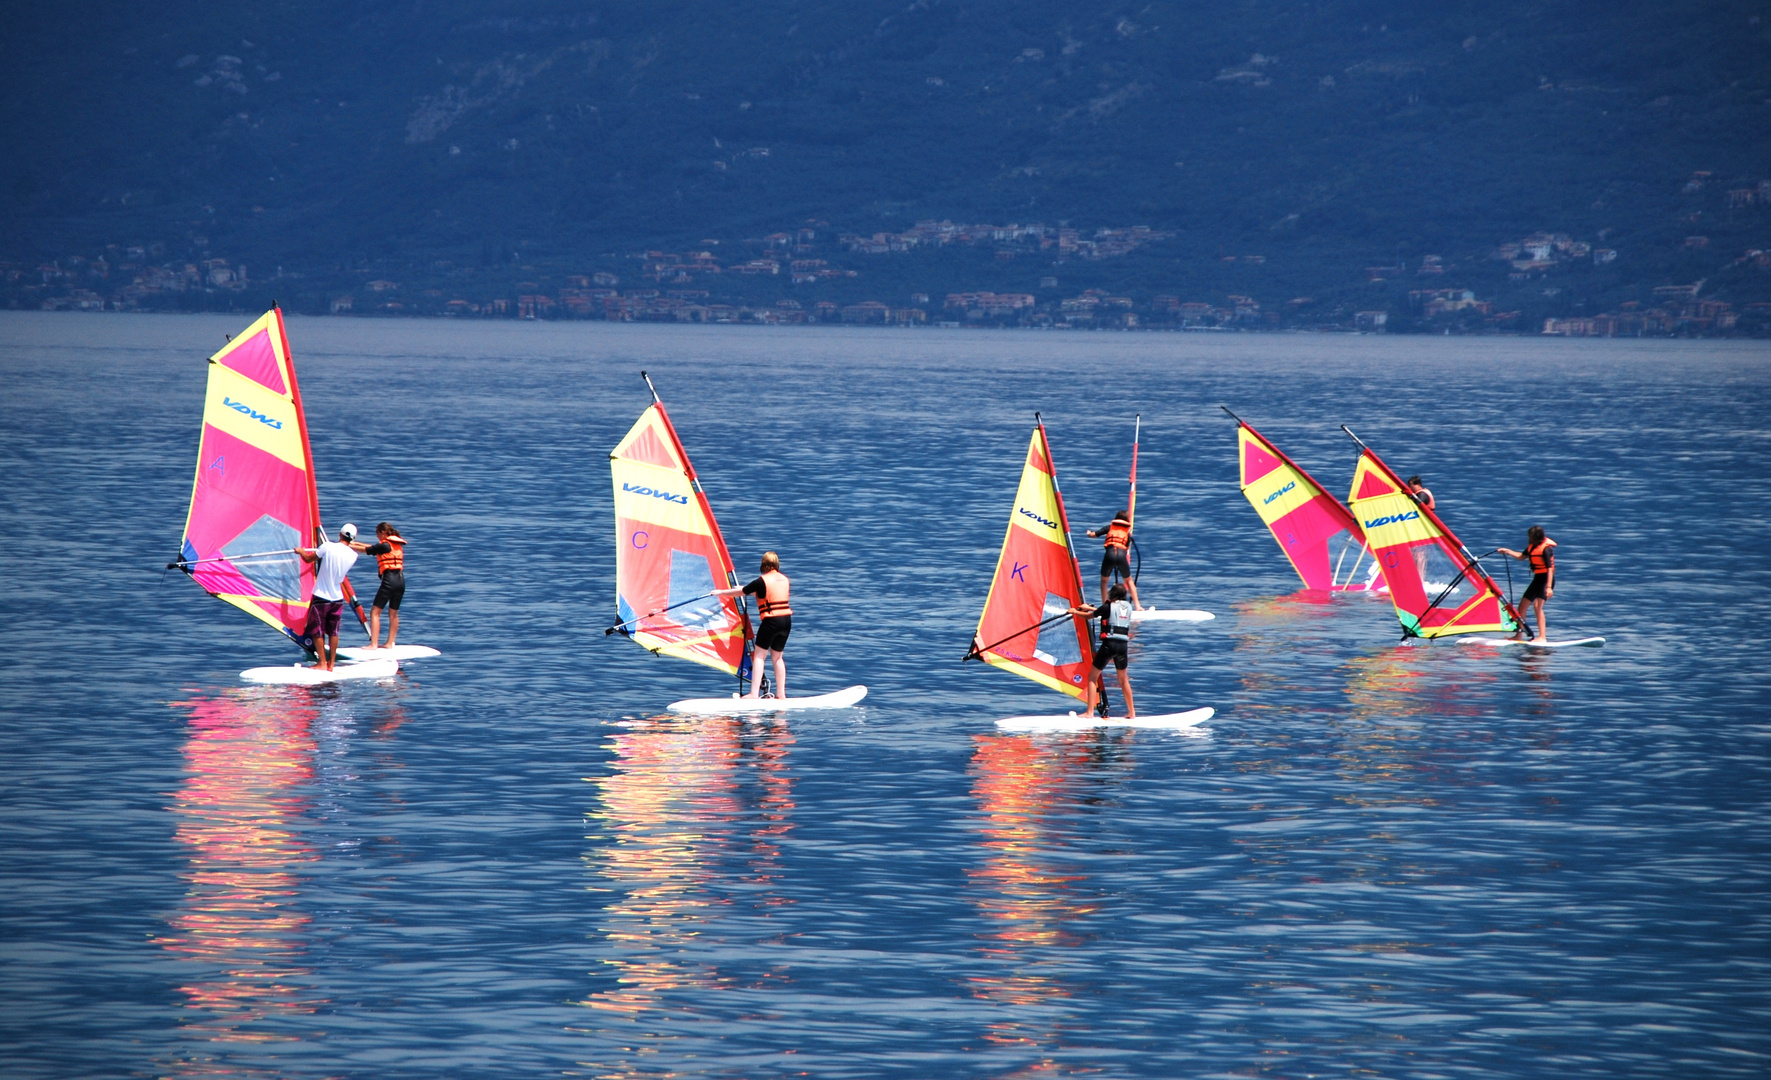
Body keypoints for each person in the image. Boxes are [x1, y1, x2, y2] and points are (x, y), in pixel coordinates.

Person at [716, 551, 792, 699]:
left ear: (763, 565)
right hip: (786, 622)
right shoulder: (784, 579)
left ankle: (754, 693)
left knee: (759, 656)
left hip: (771, 622)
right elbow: (764, 593)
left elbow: (742, 592)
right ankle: (781, 694)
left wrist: (721, 592)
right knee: (777, 658)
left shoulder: (761, 581)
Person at [296, 523, 360, 671]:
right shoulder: (353, 555)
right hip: (337, 598)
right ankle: (331, 664)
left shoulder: (327, 546)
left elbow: (308, 559)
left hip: (321, 596)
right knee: (333, 632)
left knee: (316, 630)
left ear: (340, 534)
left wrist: (300, 551)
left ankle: (322, 663)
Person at [1069, 583, 1137, 719]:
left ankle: (1089, 712)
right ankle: (1132, 713)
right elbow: (1107, 611)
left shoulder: (1107, 607)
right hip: (1123, 646)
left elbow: (1090, 617)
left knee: (1092, 677)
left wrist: (1075, 612)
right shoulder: (1128, 607)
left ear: (1113, 594)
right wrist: (1088, 608)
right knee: (1123, 680)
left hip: (1109, 645)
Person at [348, 522, 407, 650]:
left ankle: (373, 644)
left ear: (383, 533)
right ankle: (390, 643)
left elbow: (366, 550)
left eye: (377, 534)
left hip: (389, 581)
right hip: (401, 581)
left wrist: (349, 545)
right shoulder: (394, 544)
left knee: (375, 612)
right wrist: (352, 544)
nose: (377, 537)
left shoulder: (384, 545)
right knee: (393, 614)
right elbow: (371, 547)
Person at [1497, 526, 1556, 642]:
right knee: (1522, 607)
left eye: (1531, 537)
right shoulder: (1532, 547)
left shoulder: (1546, 550)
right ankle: (1519, 635)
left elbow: (1550, 569)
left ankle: (1542, 637)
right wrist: (1507, 551)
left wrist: (1549, 587)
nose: (1529, 538)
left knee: (1537, 607)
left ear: (1537, 537)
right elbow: (1521, 557)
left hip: (1546, 580)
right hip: (1537, 579)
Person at [1084, 509, 1144, 609]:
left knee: (1104, 581)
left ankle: (1104, 605)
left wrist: (1089, 533)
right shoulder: (1127, 533)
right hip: (1121, 556)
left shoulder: (1109, 527)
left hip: (1110, 555)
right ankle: (1138, 606)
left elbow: (1094, 535)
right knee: (1129, 581)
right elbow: (1126, 547)